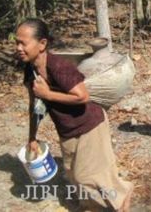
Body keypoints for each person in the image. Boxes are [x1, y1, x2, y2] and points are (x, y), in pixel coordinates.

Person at [15, 18, 133, 211]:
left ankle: (121, 198)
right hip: (67, 129)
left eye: (23, 43)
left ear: (42, 44)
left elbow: (82, 97)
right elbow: (34, 105)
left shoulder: (59, 67)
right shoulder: (31, 70)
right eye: (16, 42)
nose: (18, 47)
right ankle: (94, 204)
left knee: (86, 178)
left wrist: (48, 94)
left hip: (89, 125)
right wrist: (32, 137)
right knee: (72, 174)